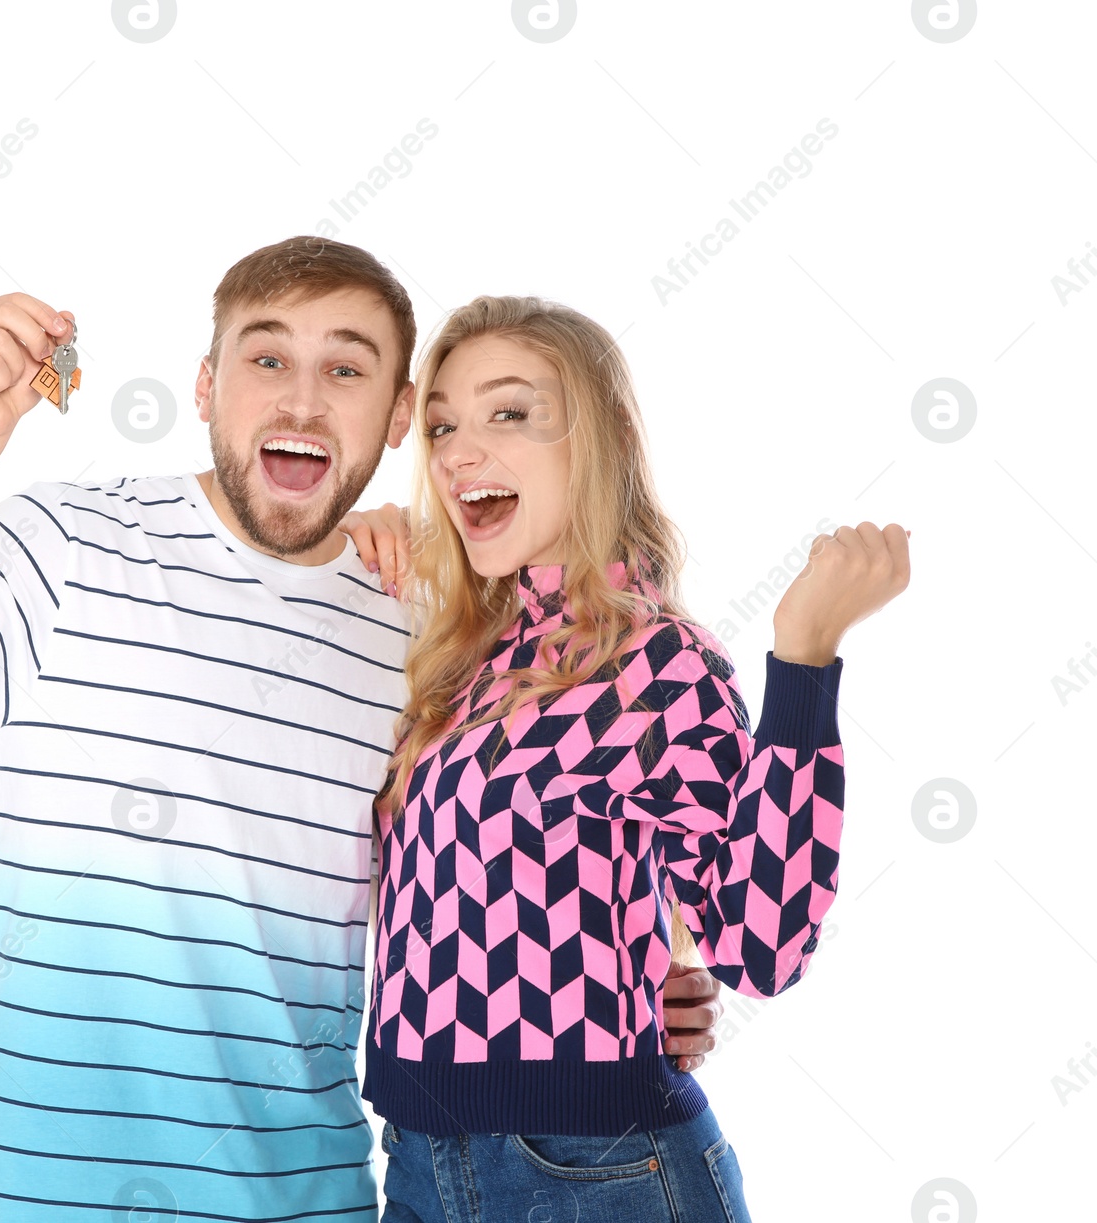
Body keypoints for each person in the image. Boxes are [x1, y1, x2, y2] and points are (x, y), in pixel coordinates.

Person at [0, 238, 724, 1223]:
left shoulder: (430, 633)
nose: (302, 402)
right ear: (206, 385)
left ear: (399, 416)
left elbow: (518, 852)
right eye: (267, 358)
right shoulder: (61, 548)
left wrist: (626, 977)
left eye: (346, 368)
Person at [341, 295, 909, 1221]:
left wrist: (804, 659)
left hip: (591, 1172)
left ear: (595, 441)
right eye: (441, 423)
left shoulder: (657, 661)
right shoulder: (465, 659)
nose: (455, 451)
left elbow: (759, 944)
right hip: (416, 1158)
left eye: (509, 412)